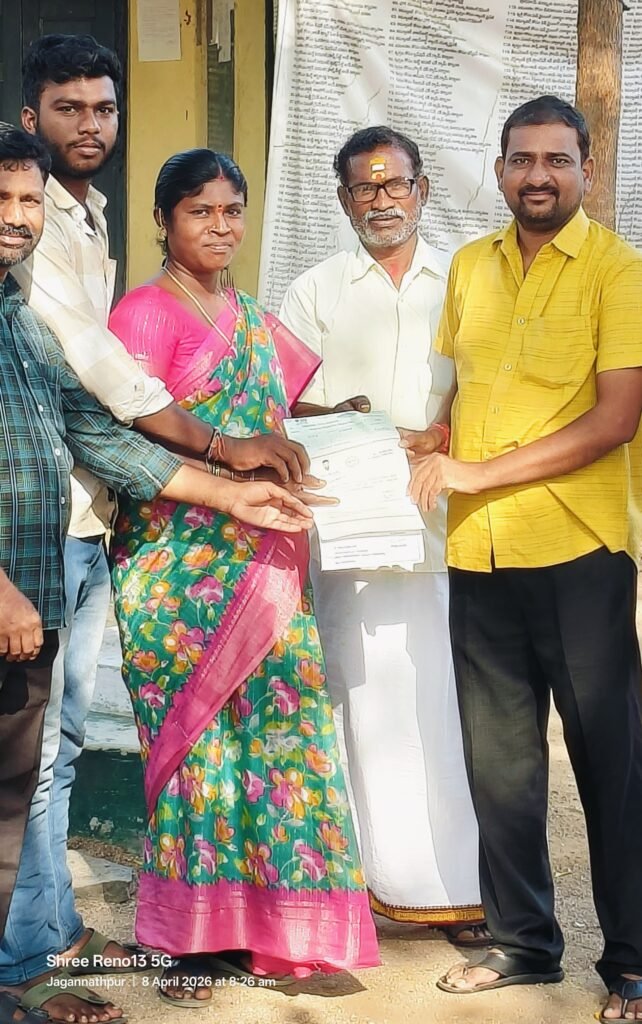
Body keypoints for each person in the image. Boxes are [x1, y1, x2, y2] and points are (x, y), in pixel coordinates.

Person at [2, 33, 312, 1007]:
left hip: (81, 524)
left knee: (52, 752)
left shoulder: (65, 240)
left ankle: (44, 930)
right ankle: (23, 962)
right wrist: (219, 450)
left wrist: (230, 486)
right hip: (30, 553)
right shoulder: (60, 270)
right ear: (31, 119)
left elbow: (86, 419)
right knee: (25, 760)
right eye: (69, 108)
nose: (91, 125)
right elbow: (103, 374)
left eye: (104, 107)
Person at [106, 147, 380, 1005]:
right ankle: (188, 941)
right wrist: (231, 457)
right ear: (163, 221)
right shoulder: (143, 314)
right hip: (176, 568)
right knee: (196, 750)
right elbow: (129, 430)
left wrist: (350, 425)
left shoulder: (253, 318)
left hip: (265, 560)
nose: (220, 227)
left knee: (277, 743)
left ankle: (273, 932)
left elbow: (277, 413)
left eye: (232, 210)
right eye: (200, 211)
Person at [406, 96, 642, 1023]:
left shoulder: (620, 271)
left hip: (578, 550)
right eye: (521, 159)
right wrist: (433, 437)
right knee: (500, 765)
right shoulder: (470, 266)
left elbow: (616, 419)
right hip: (479, 551)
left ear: (585, 169)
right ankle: (524, 944)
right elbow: (460, 389)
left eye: (556, 160)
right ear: (500, 169)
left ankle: (632, 961)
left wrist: (475, 469)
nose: (538, 175)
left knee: (612, 763)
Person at [279, 126, 486, 944]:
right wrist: (354, 425)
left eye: (395, 184)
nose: (382, 200)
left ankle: (460, 892)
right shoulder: (314, 291)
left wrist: (439, 435)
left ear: (422, 189)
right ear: (343, 200)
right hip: (350, 535)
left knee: (447, 709)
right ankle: (361, 890)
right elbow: (287, 405)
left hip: (445, 528)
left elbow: (487, 387)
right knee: (359, 710)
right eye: (365, 188)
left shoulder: (464, 280)